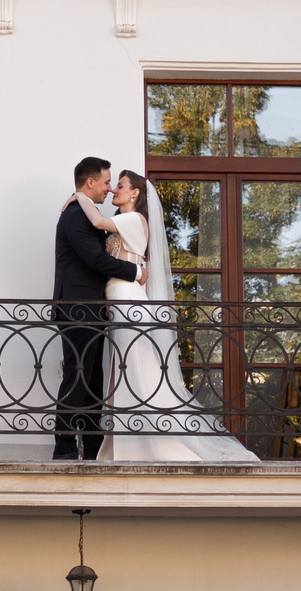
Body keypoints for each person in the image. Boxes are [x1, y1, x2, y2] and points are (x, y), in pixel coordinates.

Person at [91, 171, 257, 463]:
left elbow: (97, 221)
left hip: (127, 300)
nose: (114, 190)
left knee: (137, 369)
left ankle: (153, 444)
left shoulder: (132, 220)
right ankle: (129, 442)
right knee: (128, 369)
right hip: (119, 299)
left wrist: (78, 195)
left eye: (120, 186)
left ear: (135, 194)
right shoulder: (123, 225)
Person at [52, 157, 143, 461]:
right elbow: (95, 259)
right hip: (78, 307)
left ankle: (91, 447)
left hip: (92, 308)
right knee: (78, 376)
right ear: (89, 182)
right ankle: (65, 449)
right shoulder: (76, 216)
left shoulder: (86, 213)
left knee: (91, 378)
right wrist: (134, 273)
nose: (108, 188)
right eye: (106, 181)